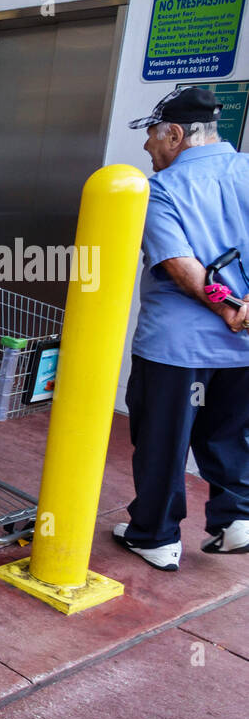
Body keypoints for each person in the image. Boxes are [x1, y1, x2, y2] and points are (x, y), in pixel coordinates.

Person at [113, 87, 249, 570]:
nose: (148, 148)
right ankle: (236, 521)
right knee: (227, 434)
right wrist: (243, 309)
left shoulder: (161, 189)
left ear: (176, 133)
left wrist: (227, 304)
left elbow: (179, 265)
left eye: (151, 135)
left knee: (163, 440)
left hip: (178, 349)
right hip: (241, 351)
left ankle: (156, 535)